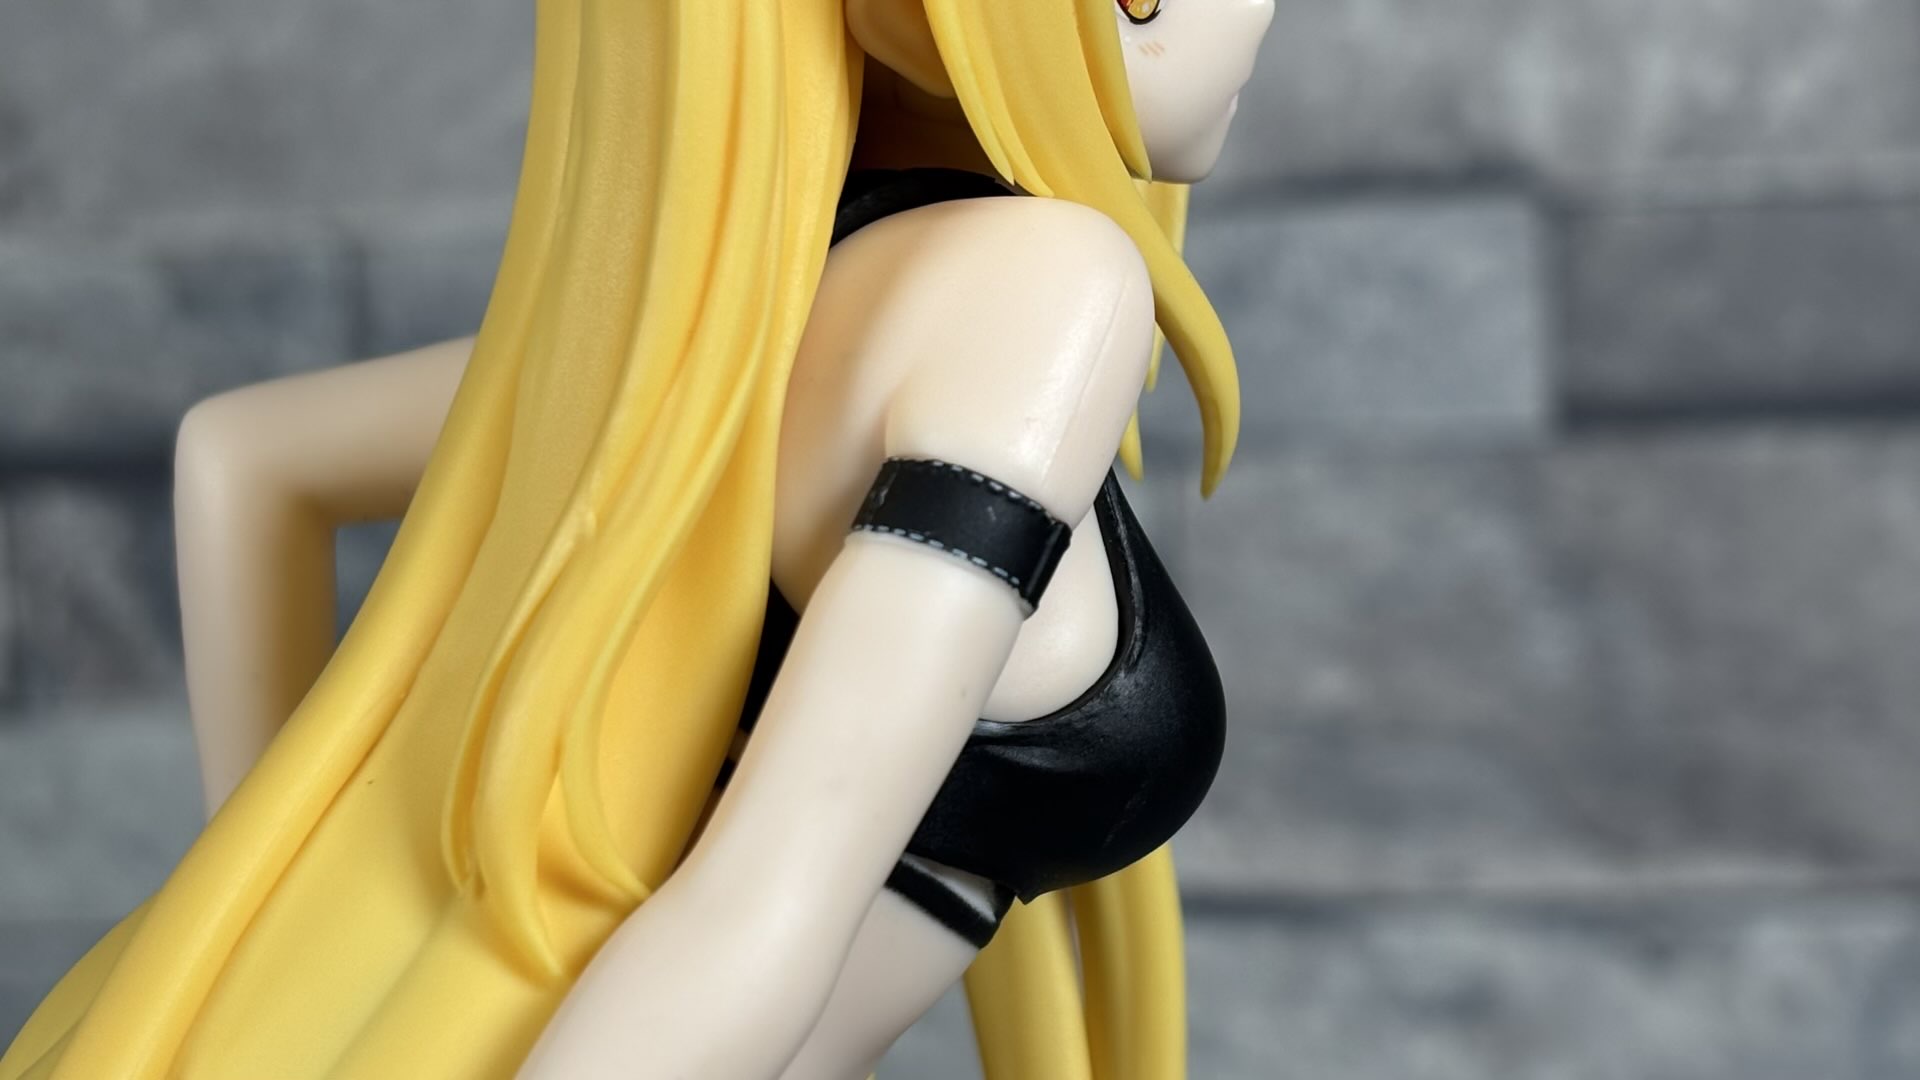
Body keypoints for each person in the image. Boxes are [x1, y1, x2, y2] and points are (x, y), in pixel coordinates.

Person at [0, 0, 1273, 1076]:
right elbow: (757, 904)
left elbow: (245, 460)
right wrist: (278, 910)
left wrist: (260, 920)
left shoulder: (745, 309)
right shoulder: (1043, 289)